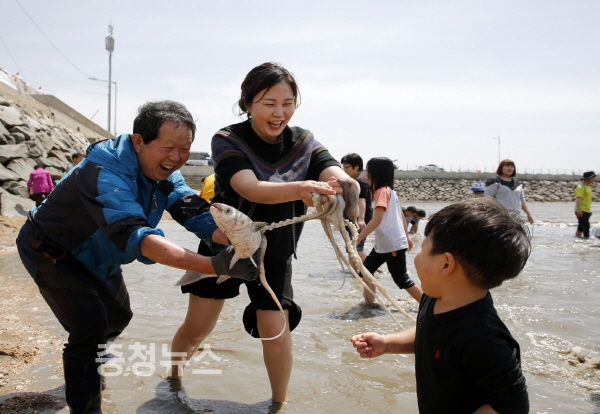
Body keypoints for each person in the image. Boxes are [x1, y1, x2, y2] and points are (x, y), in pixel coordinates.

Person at [16, 101, 260, 414]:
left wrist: (232, 239)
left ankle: (88, 366)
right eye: (167, 147)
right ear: (139, 141)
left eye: (184, 148)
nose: (176, 157)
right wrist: (213, 266)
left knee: (118, 317)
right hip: (51, 249)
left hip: (101, 255)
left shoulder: (166, 173)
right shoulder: (105, 171)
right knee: (90, 325)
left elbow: (190, 209)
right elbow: (137, 236)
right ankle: (86, 403)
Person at [169, 62, 356, 404]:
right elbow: (249, 187)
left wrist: (343, 184)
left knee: (276, 331)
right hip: (225, 243)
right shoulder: (227, 139)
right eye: (269, 103)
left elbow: (329, 168)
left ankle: (278, 404)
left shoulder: (303, 141)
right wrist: (300, 188)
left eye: (287, 103)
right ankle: (173, 380)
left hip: (276, 251)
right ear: (247, 103)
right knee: (197, 327)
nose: (279, 112)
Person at [351, 198, 531, 414]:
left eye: (423, 248)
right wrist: (389, 344)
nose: (416, 255)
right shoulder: (435, 298)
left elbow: (512, 407)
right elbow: (431, 333)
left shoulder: (485, 339)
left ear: (446, 264)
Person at [355, 157, 423, 304]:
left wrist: (358, 238)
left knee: (401, 279)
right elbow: (401, 217)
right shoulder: (390, 191)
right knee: (365, 272)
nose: (366, 174)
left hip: (391, 244)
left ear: (375, 173)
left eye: (368, 170)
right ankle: (369, 305)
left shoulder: (382, 192)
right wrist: (407, 237)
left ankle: (428, 306)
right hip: (384, 244)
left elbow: (376, 220)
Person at [340, 153, 373, 262]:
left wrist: (361, 219)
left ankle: (371, 267)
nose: (345, 170)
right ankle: (354, 271)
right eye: (343, 167)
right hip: (353, 219)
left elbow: (361, 200)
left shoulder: (360, 181)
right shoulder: (357, 179)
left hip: (358, 220)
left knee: (356, 249)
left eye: (347, 167)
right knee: (351, 249)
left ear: (357, 167)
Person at [484, 159, 534, 223]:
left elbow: (522, 200)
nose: (510, 168)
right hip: (500, 215)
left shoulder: (518, 184)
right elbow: (487, 198)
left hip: (516, 216)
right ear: (501, 168)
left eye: (512, 167)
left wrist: (528, 214)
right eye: (507, 166)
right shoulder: (494, 181)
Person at [574, 171, 596, 238]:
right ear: (588, 178)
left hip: (586, 210)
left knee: (580, 228)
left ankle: (576, 240)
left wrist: (589, 210)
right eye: (593, 177)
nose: (594, 179)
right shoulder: (581, 187)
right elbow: (578, 199)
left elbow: (587, 200)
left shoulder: (588, 187)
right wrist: (579, 210)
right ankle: (586, 242)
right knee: (586, 227)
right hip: (581, 210)